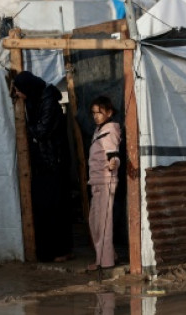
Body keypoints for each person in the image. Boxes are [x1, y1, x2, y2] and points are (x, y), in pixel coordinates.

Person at [12, 70, 73, 263]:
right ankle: (47, 251)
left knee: (54, 207)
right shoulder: (36, 100)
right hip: (43, 163)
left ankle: (60, 251)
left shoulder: (48, 103)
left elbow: (41, 130)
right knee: (43, 207)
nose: (19, 95)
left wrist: (24, 127)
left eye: (19, 91)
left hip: (53, 163)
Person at [87, 96, 122, 271]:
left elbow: (113, 152)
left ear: (109, 112)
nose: (96, 116)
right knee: (95, 222)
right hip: (97, 182)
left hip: (105, 180)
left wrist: (114, 162)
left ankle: (105, 262)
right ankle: (108, 255)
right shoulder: (99, 130)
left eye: (99, 113)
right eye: (94, 113)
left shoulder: (111, 130)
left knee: (103, 224)